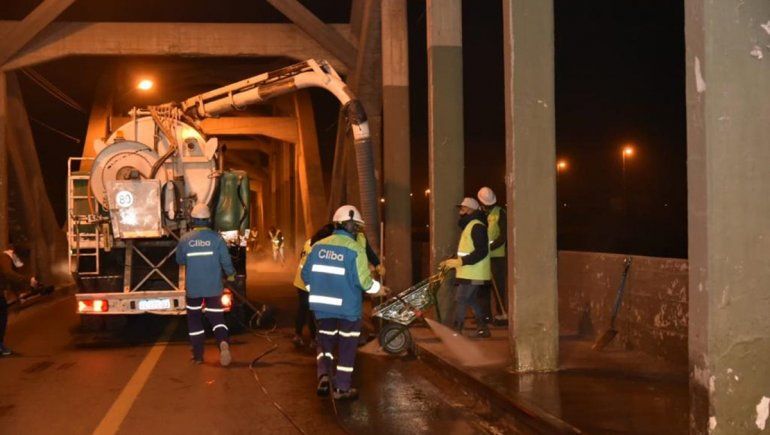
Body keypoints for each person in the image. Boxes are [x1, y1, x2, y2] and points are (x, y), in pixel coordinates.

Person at [301, 205, 387, 400]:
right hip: (348, 309)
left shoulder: (318, 246)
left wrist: (318, 291)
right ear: (350, 226)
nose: (356, 230)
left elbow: (306, 275)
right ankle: (342, 388)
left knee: (325, 343)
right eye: (355, 226)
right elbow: (364, 282)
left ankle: (324, 375)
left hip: (322, 308)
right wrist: (379, 289)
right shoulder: (355, 249)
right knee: (347, 347)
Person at [176, 203, 236, 366]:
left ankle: (198, 356)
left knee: (195, 321)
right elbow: (226, 261)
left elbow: (179, 260)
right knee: (217, 318)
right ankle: (223, 342)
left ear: (193, 220)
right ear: (209, 220)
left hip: (193, 290)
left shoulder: (185, 239)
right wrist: (231, 275)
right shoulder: (217, 239)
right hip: (213, 289)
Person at [440, 197, 491, 338]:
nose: (460, 211)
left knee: (461, 298)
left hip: (474, 272)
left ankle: (457, 329)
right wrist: (454, 261)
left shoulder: (477, 226)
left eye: (463, 208)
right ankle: (483, 328)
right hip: (469, 271)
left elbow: (481, 251)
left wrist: (461, 261)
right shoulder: (471, 225)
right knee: (470, 300)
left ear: (470, 210)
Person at [291, 223, 335, 348]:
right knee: (312, 311)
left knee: (302, 308)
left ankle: (297, 335)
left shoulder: (309, 242)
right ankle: (313, 339)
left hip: (300, 280)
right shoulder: (321, 247)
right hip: (310, 281)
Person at [477, 187, 508, 325]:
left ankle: (501, 314)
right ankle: (486, 316)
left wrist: (490, 247)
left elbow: (503, 236)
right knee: (483, 287)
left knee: (498, 288)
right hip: (484, 257)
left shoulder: (500, 213)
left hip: (497, 257)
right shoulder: (481, 213)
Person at [1, 244, 37, 356]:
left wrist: (18, 296)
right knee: (2, 318)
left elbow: (10, 280)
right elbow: (9, 274)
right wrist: (28, 280)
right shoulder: (5, 258)